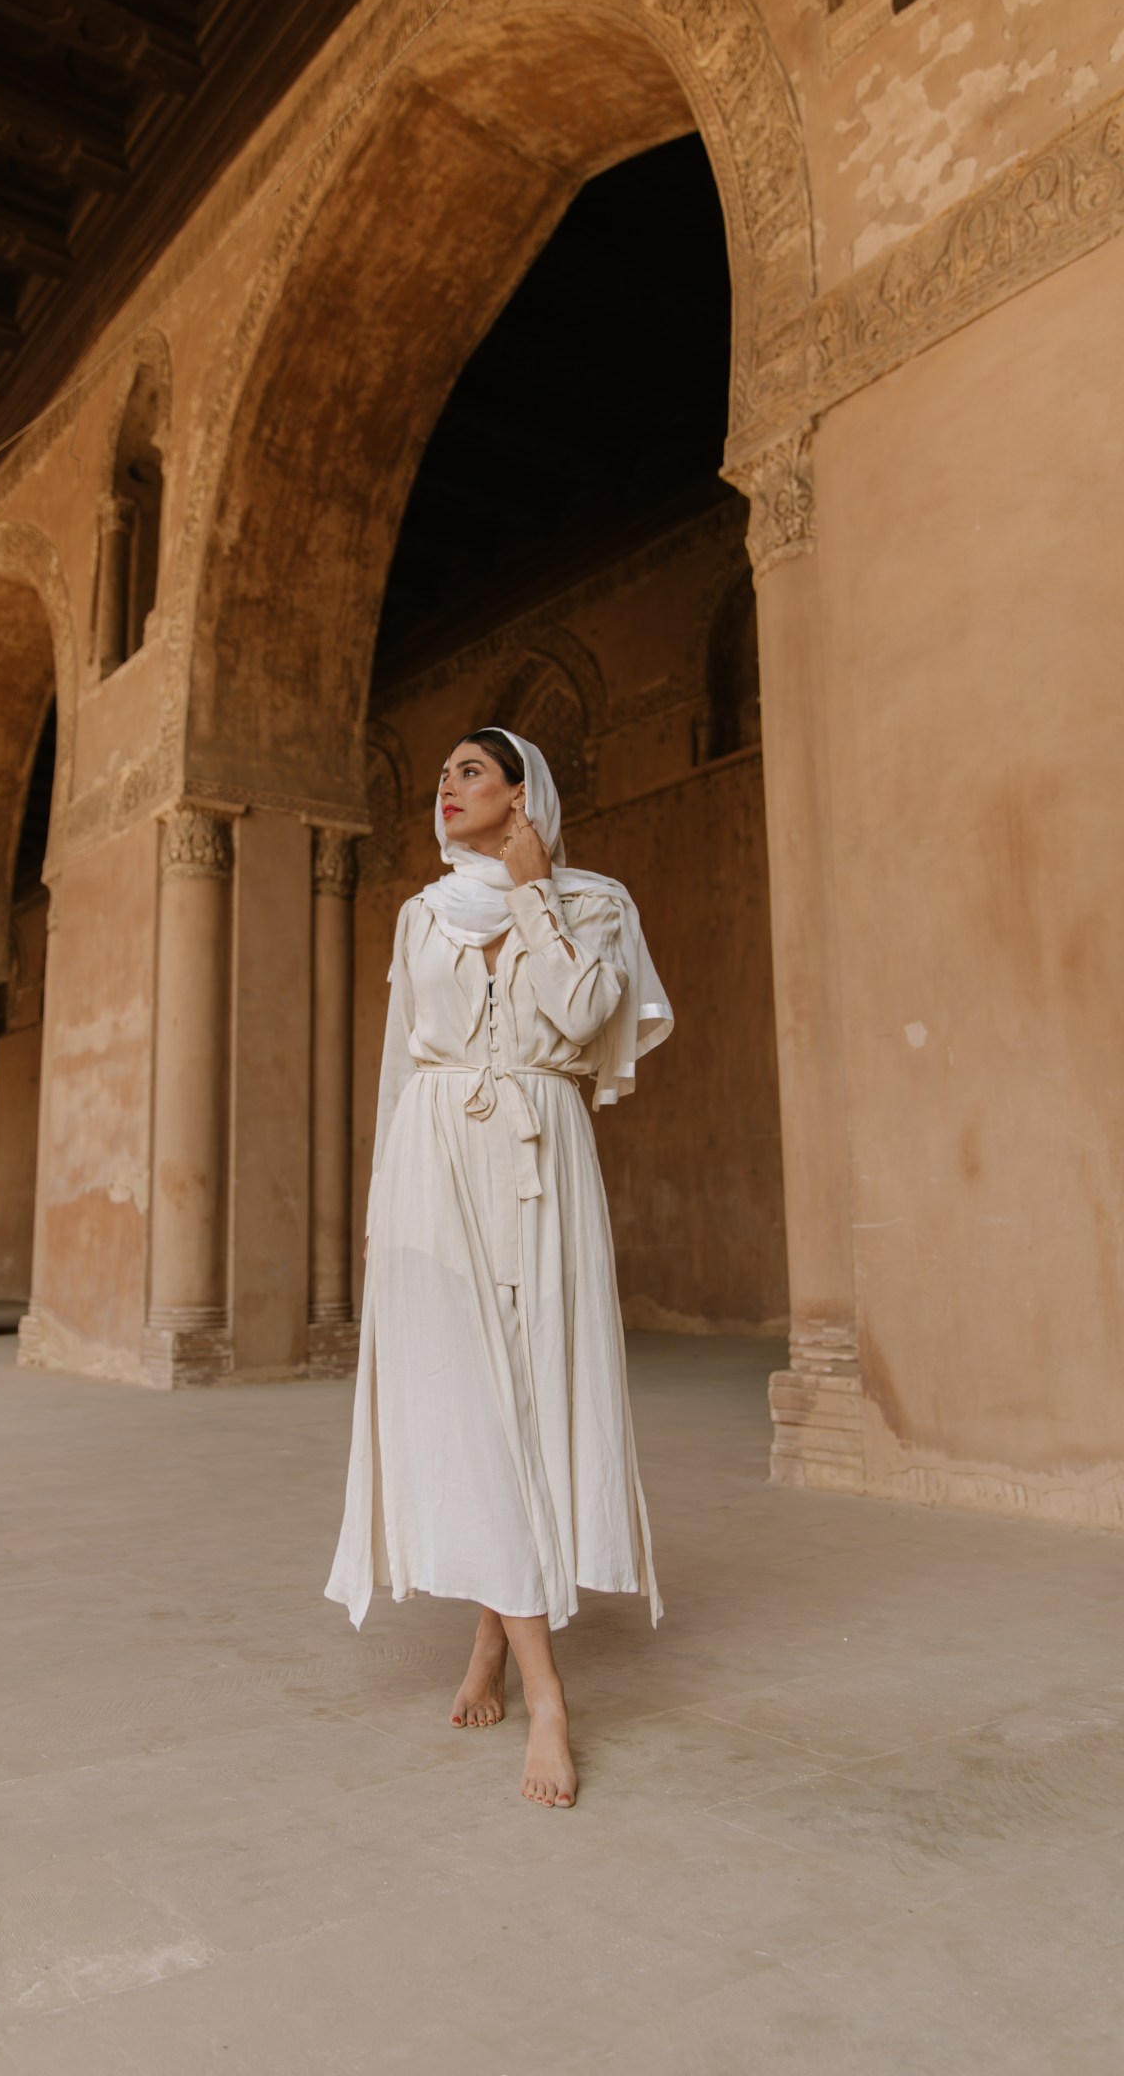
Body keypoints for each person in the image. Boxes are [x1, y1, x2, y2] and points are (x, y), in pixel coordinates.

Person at [326, 728, 673, 1807]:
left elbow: (586, 1014)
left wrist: (533, 896)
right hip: (432, 1163)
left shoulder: (595, 904)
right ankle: (546, 1693)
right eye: (441, 776)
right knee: (470, 1405)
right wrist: (383, 1213)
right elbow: (400, 1065)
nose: (446, 788)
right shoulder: (421, 914)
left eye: (469, 772)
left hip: (539, 1160)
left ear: (524, 795)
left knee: (526, 1398)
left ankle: (493, 1642)